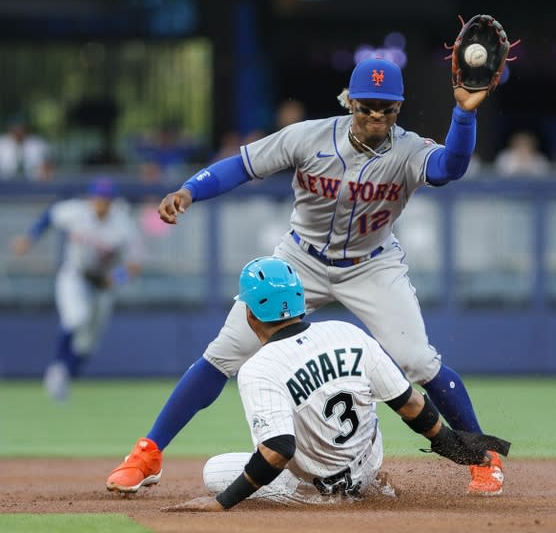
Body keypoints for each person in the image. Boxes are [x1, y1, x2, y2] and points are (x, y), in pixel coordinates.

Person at [107, 56, 506, 496]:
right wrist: (190, 190)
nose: (376, 115)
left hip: (371, 264)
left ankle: (481, 458)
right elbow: (243, 165)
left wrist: (464, 114)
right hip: (302, 260)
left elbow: (449, 168)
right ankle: (148, 453)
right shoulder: (310, 136)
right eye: (367, 105)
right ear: (349, 101)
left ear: (399, 109)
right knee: (225, 351)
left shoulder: (410, 149)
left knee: (417, 360)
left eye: (387, 108)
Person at [163, 257, 508, 511]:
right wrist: (463, 450)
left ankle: (338, 495)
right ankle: (370, 484)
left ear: (250, 315)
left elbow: (278, 450)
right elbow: (411, 405)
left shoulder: (258, 368)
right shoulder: (347, 332)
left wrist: (222, 503)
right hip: (369, 460)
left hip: (316, 491)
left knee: (215, 471)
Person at [11, 177, 141, 401]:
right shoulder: (77, 212)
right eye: (98, 198)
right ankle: (58, 370)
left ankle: (66, 374)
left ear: (112, 202)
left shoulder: (123, 223)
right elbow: (50, 216)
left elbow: (134, 264)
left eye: (106, 199)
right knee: (75, 318)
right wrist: (29, 238)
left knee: (89, 343)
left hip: (103, 284)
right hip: (74, 276)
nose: (101, 203)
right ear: (91, 198)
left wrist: (117, 278)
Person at [0, 115, 52, 181]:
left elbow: (48, 168)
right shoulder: (1, 144)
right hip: (4, 184)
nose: (18, 131)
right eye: (15, 128)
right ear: (10, 129)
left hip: (34, 184)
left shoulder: (38, 144)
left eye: (20, 128)